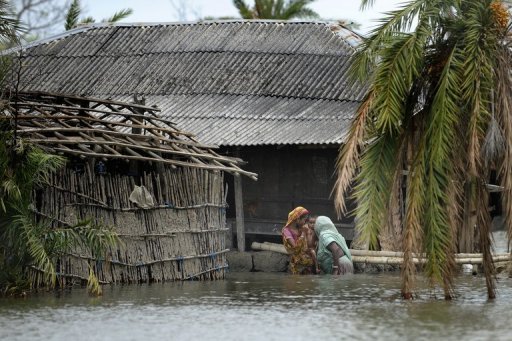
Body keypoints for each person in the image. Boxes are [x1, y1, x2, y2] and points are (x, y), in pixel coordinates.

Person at [281, 206, 315, 274]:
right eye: (304, 220)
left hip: (307, 262)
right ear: (298, 219)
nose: (305, 222)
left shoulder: (301, 228)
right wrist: (303, 233)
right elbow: (295, 247)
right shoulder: (286, 231)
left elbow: (309, 244)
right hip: (297, 263)